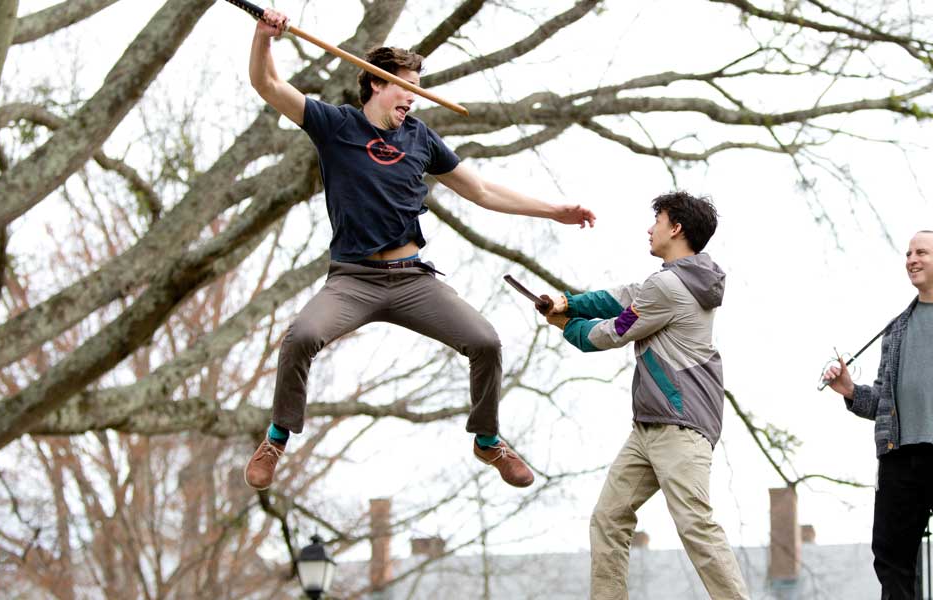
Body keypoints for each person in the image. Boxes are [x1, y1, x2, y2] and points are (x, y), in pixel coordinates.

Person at [242, 9, 596, 491]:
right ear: (374, 85)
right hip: (353, 280)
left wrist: (554, 210)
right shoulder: (334, 124)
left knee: (486, 342)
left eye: (416, 87)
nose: (411, 96)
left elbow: (484, 191)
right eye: (401, 85)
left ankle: (487, 440)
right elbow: (267, 85)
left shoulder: (421, 138)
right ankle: (277, 436)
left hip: (412, 279)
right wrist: (264, 39)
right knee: (301, 336)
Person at [542, 191, 747, 599]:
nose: (649, 229)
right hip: (649, 427)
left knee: (695, 524)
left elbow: (612, 331)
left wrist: (565, 324)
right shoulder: (672, 281)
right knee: (609, 518)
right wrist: (568, 301)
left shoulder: (670, 286)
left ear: (676, 229)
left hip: (680, 425)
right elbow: (619, 295)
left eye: (657, 220)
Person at [822, 230, 933, 599]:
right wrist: (851, 391)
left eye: (921, 252)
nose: (911, 259)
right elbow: (885, 404)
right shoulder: (896, 329)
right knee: (891, 562)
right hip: (899, 461)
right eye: (908, 253)